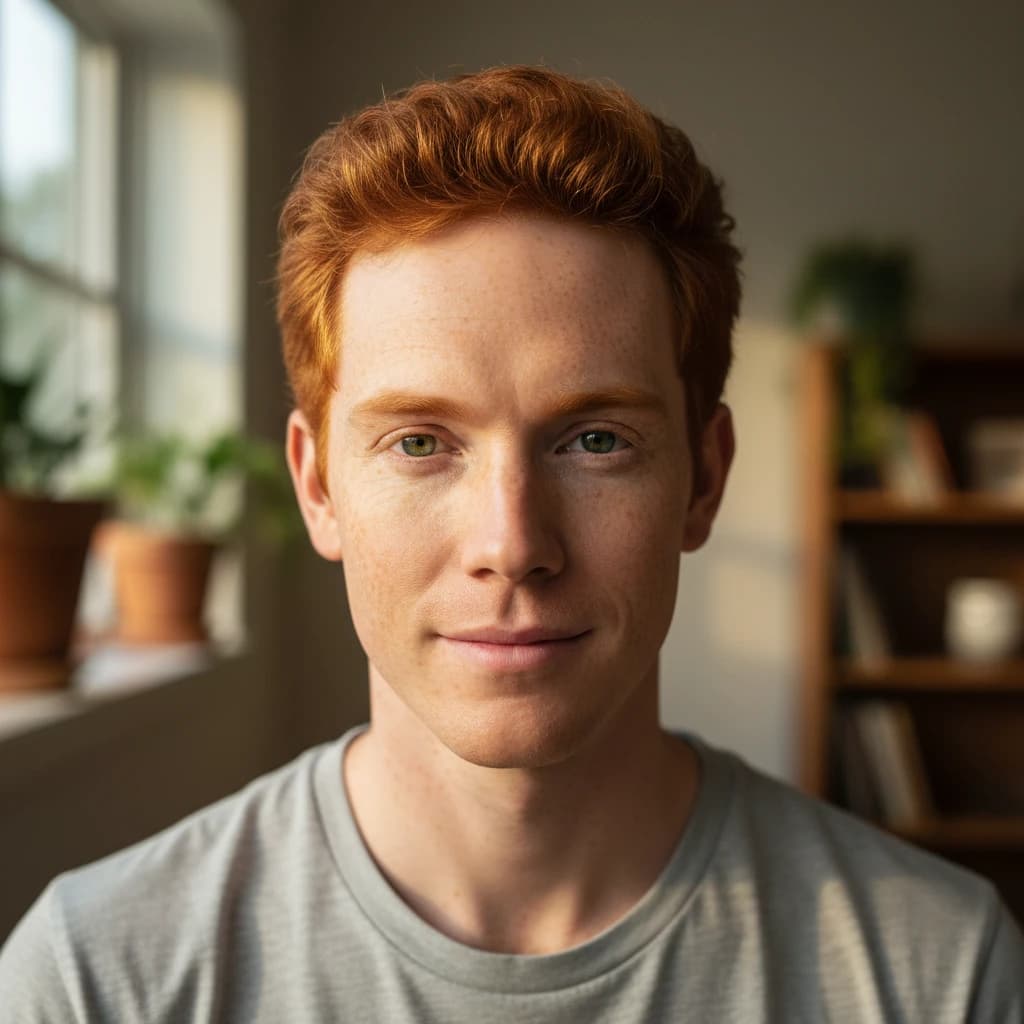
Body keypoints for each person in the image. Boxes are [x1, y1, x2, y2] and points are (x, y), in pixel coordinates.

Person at [1, 64, 1022, 1022]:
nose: (511, 543)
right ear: (318, 486)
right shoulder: (97, 979)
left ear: (702, 478)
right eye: (418, 441)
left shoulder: (935, 971)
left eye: (594, 439)